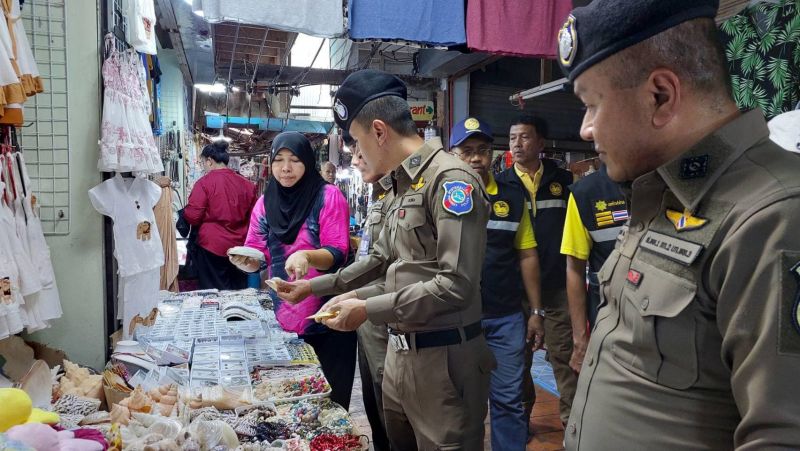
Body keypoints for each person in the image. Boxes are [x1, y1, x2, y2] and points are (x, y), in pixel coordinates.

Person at [557, 0, 800, 449]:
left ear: (660, 96)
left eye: (592, 104)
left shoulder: (774, 217)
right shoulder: (663, 194)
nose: (586, 129)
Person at [274, 69, 495, 450]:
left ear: (379, 131)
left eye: (358, 140)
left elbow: (455, 284)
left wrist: (367, 307)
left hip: (443, 360)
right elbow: (385, 265)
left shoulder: (450, 181)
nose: (357, 154)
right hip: (399, 353)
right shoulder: (397, 188)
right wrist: (321, 288)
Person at [228, 131, 356, 409]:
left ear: (308, 163)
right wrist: (249, 261)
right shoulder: (265, 203)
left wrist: (307, 256)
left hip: (327, 318)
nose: (285, 168)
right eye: (279, 160)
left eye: (295, 160)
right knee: (291, 408)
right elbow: (256, 249)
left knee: (330, 409)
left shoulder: (328, 196)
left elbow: (337, 253)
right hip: (283, 325)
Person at [451, 116, 544, 451]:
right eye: (467, 151)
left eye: (483, 150)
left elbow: (527, 255)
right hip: (458, 321)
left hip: (505, 318)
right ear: (453, 154)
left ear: (492, 154)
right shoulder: (442, 198)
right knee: (463, 405)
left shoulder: (512, 198)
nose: (476, 158)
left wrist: (536, 311)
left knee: (508, 400)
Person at [498, 115, 575, 426]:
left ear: (541, 143)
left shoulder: (564, 183)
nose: (517, 143)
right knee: (517, 363)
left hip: (558, 288)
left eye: (525, 137)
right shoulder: (500, 185)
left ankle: (574, 428)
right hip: (514, 293)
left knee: (565, 359)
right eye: (513, 137)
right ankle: (521, 422)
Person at [344, 130, 393, 451]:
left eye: (360, 154)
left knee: (391, 406)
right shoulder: (379, 194)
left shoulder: (406, 195)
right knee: (375, 405)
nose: (355, 161)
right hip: (368, 319)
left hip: (386, 315)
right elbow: (374, 255)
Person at [560, 165, 626, 372]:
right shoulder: (585, 193)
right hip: (607, 322)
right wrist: (580, 340)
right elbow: (574, 268)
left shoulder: (670, 182)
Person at [182, 141, 257, 290]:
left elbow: (193, 217)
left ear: (209, 161)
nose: (203, 167)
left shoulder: (204, 183)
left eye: (203, 163)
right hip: (240, 247)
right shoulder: (248, 185)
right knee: (238, 291)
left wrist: (185, 212)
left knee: (213, 293)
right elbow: (255, 218)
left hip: (211, 246)